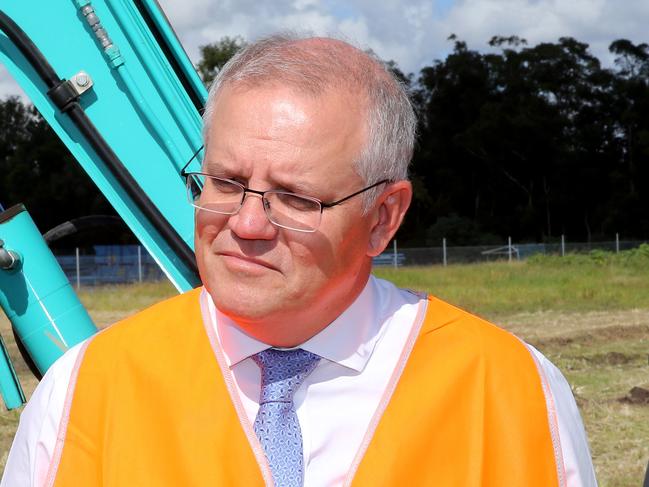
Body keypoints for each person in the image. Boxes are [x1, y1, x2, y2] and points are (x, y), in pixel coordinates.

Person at [2, 35, 597, 487]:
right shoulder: (82, 393)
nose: (248, 224)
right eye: (226, 182)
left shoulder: (511, 391)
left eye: (296, 197)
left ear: (384, 217)